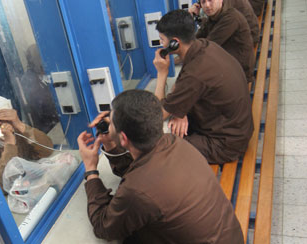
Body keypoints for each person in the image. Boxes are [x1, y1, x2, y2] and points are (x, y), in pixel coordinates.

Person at [78, 90, 244, 243]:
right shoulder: (174, 142)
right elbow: (141, 174)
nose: (108, 125)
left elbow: (104, 227)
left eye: (111, 123)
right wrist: (112, 146)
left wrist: (91, 170)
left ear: (124, 138)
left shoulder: (137, 191)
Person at [154, 9, 253, 164]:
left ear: (174, 43)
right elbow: (182, 86)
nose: (161, 45)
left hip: (225, 144)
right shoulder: (205, 46)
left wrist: (161, 73)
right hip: (236, 128)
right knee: (174, 125)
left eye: (162, 40)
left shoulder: (195, 73)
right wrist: (181, 111)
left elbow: (157, 115)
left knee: (159, 147)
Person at [0, 95, 53, 190]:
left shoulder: (13, 126)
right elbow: (0, 184)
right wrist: (9, 144)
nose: (5, 123)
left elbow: (47, 150)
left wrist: (20, 125)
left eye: (7, 117)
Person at [191, 0, 255, 83]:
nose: (207, 5)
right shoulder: (213, 18)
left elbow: (208, 46)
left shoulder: (231, 18)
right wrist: (193, 17)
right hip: (228, 66)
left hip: (240, 73)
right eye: (203, 1)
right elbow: (196, 39)